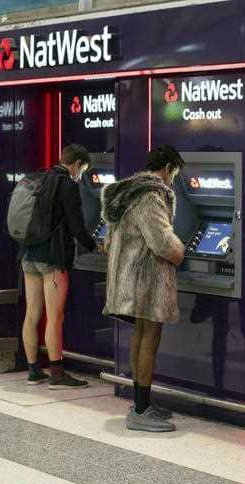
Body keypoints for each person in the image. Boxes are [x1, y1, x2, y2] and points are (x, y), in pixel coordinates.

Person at [101, 145, 186, 432]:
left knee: (140, 335)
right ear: (167, 168)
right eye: (174, 172)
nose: (173, 179)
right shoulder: (150, 196)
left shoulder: (129, 194)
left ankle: (142, 401)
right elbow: (162, 241)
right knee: (149, 336)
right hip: (146, 281)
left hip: (130, 278)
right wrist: (181, 251)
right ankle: (139, 410)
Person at [20, 144, 97, 389]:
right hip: (52, 259)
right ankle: (56, 373)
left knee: (32, 313)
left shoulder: (41, 177)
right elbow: (76, 226)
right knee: (55, 317)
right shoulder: (67, 185)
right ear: (76, 164)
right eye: (82, 169)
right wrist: (94, 246)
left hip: (28, 254)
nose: (81, 174)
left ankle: (34, 371)